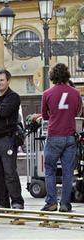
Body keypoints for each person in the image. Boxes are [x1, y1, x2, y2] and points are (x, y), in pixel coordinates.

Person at [41, 63, 82, 212]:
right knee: (68, 172)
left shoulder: (47, 93)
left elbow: (45, 116)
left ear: (52, 76)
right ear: (67, 75)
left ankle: (51, 202)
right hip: (70, 137)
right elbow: (78, 112)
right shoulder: (75, 93)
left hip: (54, 136)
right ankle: (65, 204)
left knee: (50, 169)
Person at [0, 69, 24, 209]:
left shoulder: (13, 97)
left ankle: (17, 201)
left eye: (2, 80)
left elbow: (3, 112)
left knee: (10, 172)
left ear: (8, 81)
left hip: (6, 138)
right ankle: (2, 202)